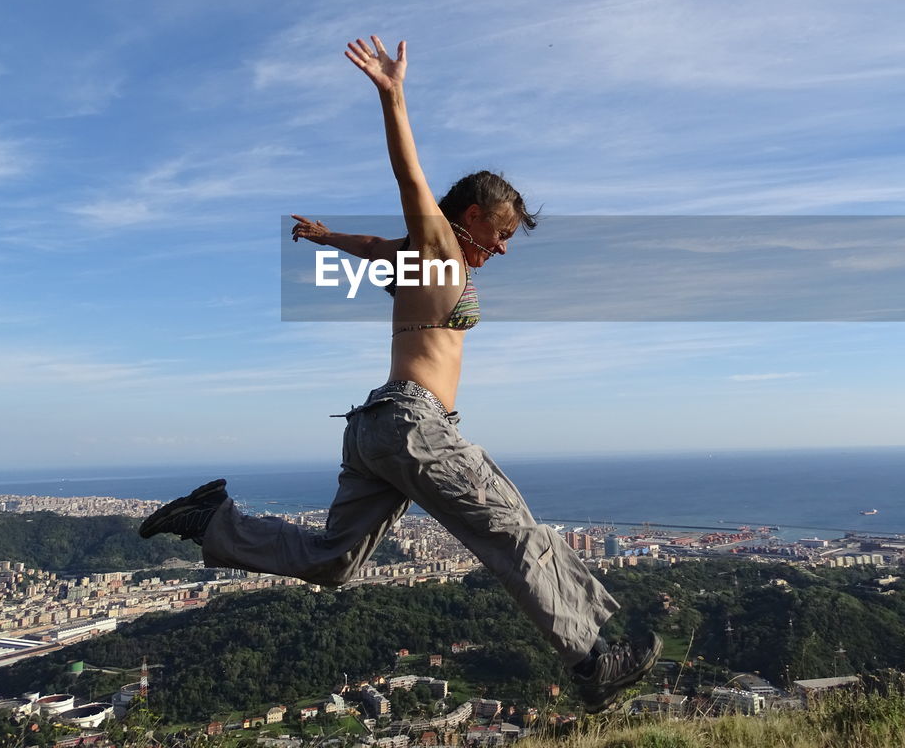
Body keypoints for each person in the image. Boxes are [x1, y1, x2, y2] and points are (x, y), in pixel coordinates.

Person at [140, 35, 660, 711]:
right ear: (471, 216)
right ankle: (594, 665)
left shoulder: (424, 261)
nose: (503, 248)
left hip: (375, 430)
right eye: (500, 232)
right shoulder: (440, 243)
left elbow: (372, 247)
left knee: (334, 560)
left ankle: (211, 521)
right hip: (414, 424)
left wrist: (325, 236)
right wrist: (393, 96)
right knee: (516, 532)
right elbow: (411, 180)